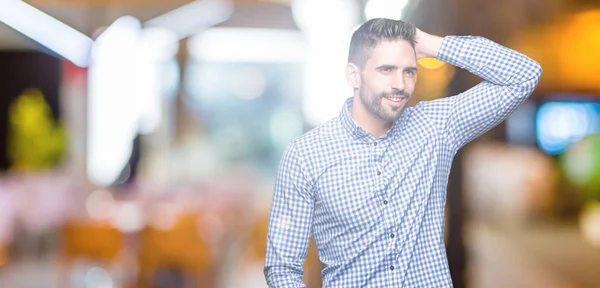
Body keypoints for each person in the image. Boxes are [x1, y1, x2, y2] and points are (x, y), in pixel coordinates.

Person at [264, 18, 542, 287]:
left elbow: (524, 75)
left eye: (409, 71)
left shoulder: (435, 128)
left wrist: (430, 44)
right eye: (386, 69)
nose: (400, 84)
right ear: (354, 75)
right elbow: (282, 268)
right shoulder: (305, 155)